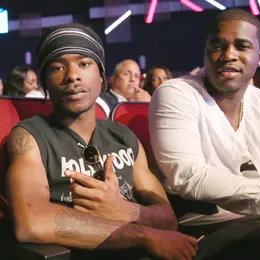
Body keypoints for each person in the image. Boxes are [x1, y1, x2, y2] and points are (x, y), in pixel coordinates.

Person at [5, 23, 198, 260]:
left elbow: (167, 218)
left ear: (102, 78)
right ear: (45, 83)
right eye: (57, 67)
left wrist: (123, 210)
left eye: (84, 63)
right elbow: (30, 221)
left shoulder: (123, 136)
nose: (72, 76)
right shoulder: (30, 136)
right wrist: (143, 235)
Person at [149, 9, 260, 224]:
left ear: (259, 57)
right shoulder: (176, 93)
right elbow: (190, 177)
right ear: (205, 51)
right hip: (203, 223)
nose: (228, 55)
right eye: (218, 45)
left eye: (242, 46)